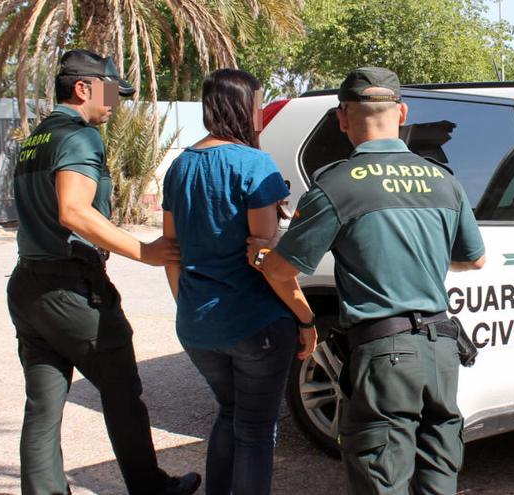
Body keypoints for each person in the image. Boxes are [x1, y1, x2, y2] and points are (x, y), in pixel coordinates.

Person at [250, 67, 486, 494]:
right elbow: (474, 260)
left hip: (385, 354)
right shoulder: (444, 181)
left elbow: (282, 269)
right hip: (442, 350)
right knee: (439, 472)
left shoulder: (337, 185)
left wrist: (268, 261)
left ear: (342, 118)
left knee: (382, 477)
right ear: (401, 113)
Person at [6, 49, 201, 495]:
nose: (117, 101)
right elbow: (73, 211)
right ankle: (151, 488)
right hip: (73, 288)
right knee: (122, 392)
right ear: (83, 88)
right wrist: (145, 251)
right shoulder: (79, 137)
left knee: (42, 406)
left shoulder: (36, 138)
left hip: (28, 286)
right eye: (112, 90)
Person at [161, 68, 318, 495]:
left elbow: (170, 253)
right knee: (254, 429)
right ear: (238, 106)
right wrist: (305, 318)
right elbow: (267, 258)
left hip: (198, 325)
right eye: (257, 103)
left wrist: (189, 307)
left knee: (230, 414)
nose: (261, 113)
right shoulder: (254, 164)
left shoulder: (180, 166)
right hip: (255, 322)